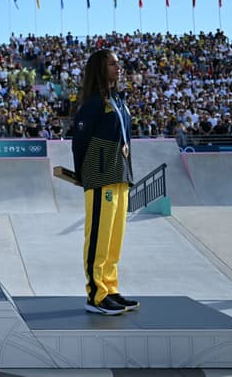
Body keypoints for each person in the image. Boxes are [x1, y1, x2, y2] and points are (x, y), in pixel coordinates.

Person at [71, 49, 137, 316]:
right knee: (98, 237)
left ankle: (110, 288)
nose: (118, 68)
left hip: (119, 174)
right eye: (112, 64)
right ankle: (96, 294)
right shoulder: (94, 103)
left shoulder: (118, 100)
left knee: (114, 238)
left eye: (119, 64)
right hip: (100, 175)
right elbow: (80, 141)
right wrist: (82, 174)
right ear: (99, 68)